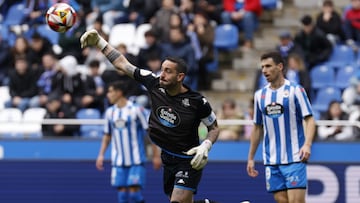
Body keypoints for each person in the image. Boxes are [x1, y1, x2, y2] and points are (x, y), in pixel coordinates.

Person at [80, 29, 220, 203]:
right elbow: (122, 64)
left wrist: (206, 145)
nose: (162, 74)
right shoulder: (153, 83)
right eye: (162, 70)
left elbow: (213, 127)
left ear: (180, 77)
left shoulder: (197, 102)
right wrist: (99, 41)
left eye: (168, 71)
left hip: (188, 160)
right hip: (167, 158)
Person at [247, 51, 316, 203]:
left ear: (280, 67)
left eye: (268, 66)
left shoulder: (295, 90)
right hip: (272, 161)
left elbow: (310, 119)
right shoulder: (260, 95)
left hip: (294, 158)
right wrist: (251, 157)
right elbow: (257, 127)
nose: (264, 70)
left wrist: (307, 144)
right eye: (262, 67)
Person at [96, 80, 159, 203]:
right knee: (122, 197)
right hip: (118, 161)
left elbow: (150, 133)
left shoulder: (136, 110)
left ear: (119, 93)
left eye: (110, 92)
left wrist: (156, 155)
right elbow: (107, 135)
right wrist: (101, 155)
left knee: (135, 195)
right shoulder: (110, 112)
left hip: (136, 160)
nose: (108, 95)